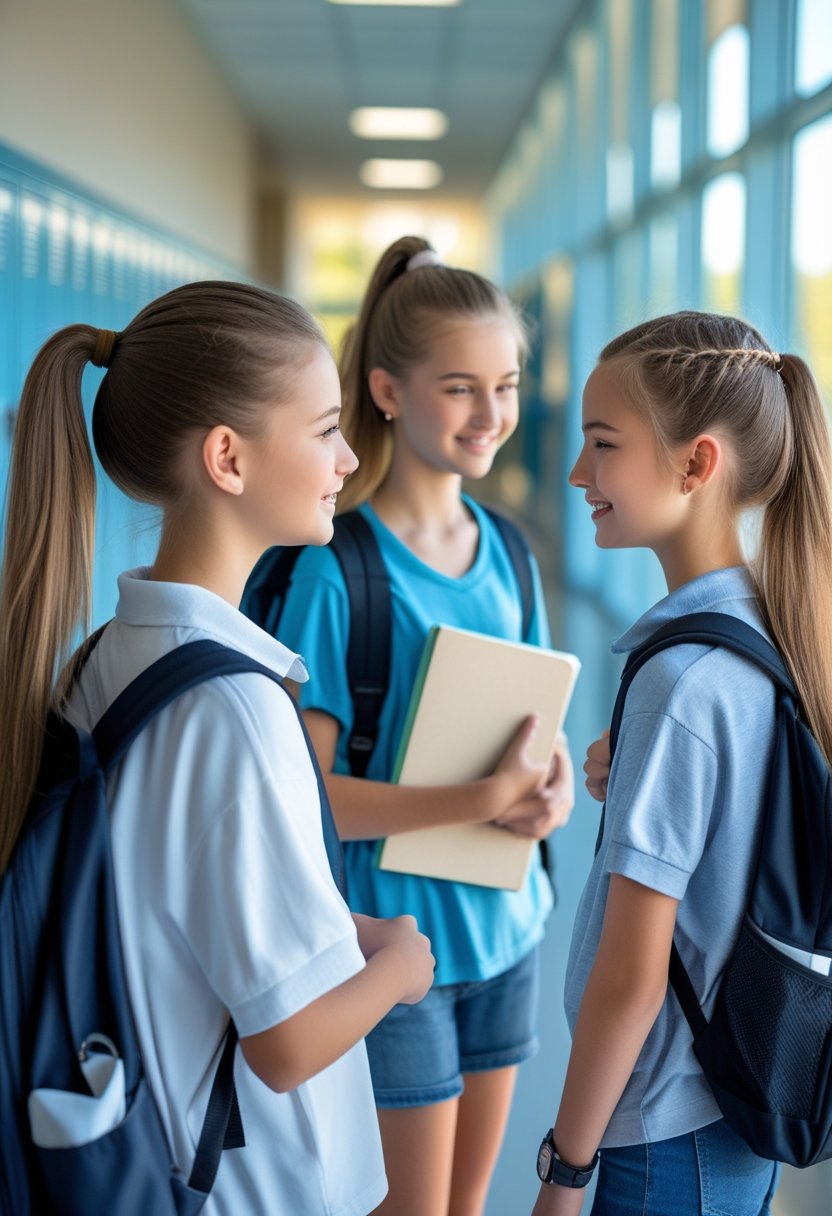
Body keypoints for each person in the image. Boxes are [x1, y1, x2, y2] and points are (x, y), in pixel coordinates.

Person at [0, 281, 436, 1216]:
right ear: (228, 459)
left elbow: (186, 911)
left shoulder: (104, 658)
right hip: (254, 1190)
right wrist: (399, 968)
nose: (349, 457)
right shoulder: (236, 710)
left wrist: (345, 934)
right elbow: (284, 1046)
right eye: (324, 429)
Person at [275, 236, 575, 1216]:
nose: (491, 414)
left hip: (507, 933)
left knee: (469, 1202)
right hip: (392, 948)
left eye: (507, 383)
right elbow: (299, 799)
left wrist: (548, 794)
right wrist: (474, 799)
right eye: (459, 387)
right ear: (389, 391)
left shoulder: (513, 556)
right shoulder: (336, 572)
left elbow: (541, 736)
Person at [529, 310, 832, 1215]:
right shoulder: (774, 633)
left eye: (604, 444)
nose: (580, 473)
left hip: (662, 1133)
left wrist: (564, 1172)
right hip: (730, 1110)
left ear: (696, 464)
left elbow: (630, 981)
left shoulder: (684, 681)